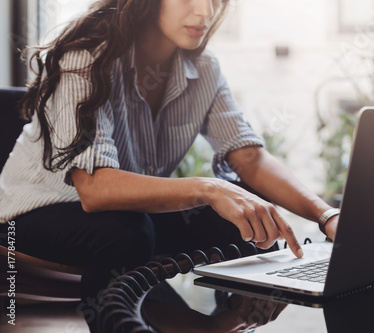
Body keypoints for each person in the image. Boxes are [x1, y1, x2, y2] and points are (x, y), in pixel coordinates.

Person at [0, 0, 339, 331]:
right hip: (32, 213)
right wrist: (209, 188)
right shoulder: (83, 59)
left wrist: (327, 217)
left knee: (242, 215)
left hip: (129, 213)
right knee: (126, 234)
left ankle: (230, 321)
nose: (205, 11)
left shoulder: (203, 67)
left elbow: (248, 156)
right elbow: (94, 189)